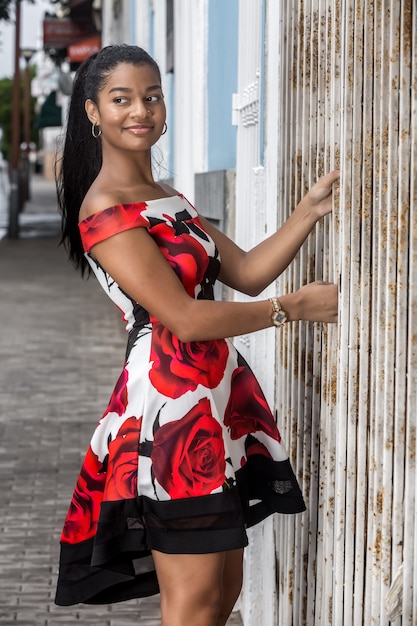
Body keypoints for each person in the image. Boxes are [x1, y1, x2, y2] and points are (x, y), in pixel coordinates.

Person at [54, 44, 339, 626]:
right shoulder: (105, 211)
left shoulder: (168, 198)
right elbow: (183, 318)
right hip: (169, 409)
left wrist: (308, 212)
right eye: (122, 98)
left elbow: (248, 271)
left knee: (224, 589)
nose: (141, 110)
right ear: (92, 112)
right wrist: (291, 310)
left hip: (212, 399)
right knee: (192, 604)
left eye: (152, 96)